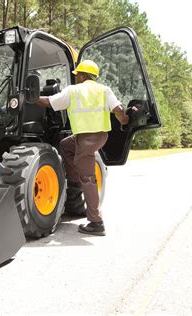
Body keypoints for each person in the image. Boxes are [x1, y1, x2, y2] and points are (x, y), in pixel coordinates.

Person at [35, 60, 131, 236]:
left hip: (87, 139)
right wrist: (125, 120)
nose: (76, 77)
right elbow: (118, 110)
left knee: (88, 178)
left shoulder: (74, 90)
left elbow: (49, 102)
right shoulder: (104, 90)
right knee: (65, 145)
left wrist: (32, 98)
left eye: (77, 74)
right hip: (99, 136)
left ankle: (96, 223)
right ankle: (74, 185)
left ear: (83, 75)